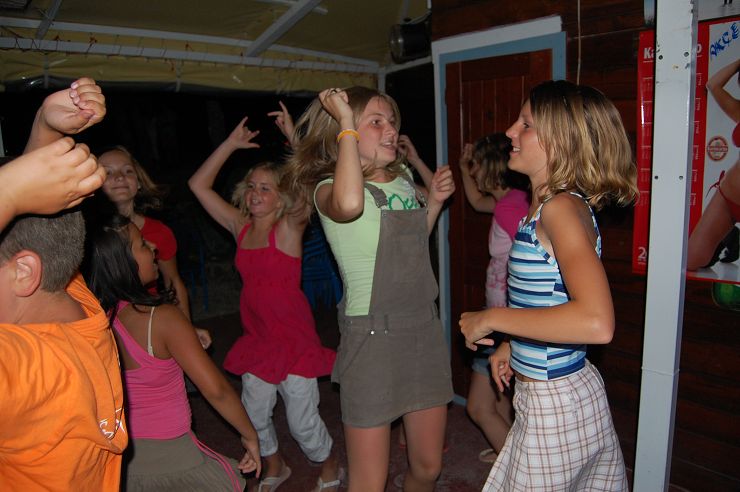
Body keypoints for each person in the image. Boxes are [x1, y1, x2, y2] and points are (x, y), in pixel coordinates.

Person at [460, 80, 636, 491]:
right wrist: (513, 344)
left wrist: (493, 318)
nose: (510, 131)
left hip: (556, 401)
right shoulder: (545, 206)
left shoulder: (559, 209)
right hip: (556, 392)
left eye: (526, 124)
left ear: (561, 141)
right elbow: (549, 296)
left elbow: (596, 322)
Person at [285, 86, 455, 492]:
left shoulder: (404, 179)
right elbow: (350, 206)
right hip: (372, 339)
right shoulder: (328, 188)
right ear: (343, 133)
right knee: (368, 482)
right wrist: (346, 120)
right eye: (376, 122)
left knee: (428, 467)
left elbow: (413, 245)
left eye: (391, 121)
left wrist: (433, 202)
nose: (390, 130)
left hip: (424, 330)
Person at [188, 117, 340, 492]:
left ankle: (329, 462)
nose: (256, 194)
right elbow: (197, 185)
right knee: (252, 414)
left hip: (294, 340)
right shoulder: (239, 226)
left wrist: (293, 139)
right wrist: (229, 145)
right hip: (258, 339)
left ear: (281, 196)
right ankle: (275, 463)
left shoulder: (289, 226)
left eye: (266, 188)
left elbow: (310, 183)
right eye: (252, 187)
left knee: (302, 421)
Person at [0, 78, 128, 490]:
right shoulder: (76, 302)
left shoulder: (19, 367)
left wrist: (10, 191)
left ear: (23, 273)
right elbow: (40, 227)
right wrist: (45, 127)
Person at [82, 212, 260, 491]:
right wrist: (250, 435)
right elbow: (217, 391)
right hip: (174, 457)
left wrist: (185, 336)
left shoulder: (94, 318)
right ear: (122, 262)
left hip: (124, 461)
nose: (153, 247)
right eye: (142, 244)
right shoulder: (161, 318)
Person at [457, 133, 529, 463]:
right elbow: (475, 202)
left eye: (476, 165)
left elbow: (531, 254)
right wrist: (462, 168)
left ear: (492, 168)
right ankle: (507, 452)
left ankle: (516, 469)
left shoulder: (509, 208)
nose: (473, 171)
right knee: (500, 399)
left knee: (478, 407)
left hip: (503, 322)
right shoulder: (511, 199)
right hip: (503, 316)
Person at [98, 147, 195, 322]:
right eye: (108, 173)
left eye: (128, 171)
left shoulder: (159, 232)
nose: (119, 177)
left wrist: (186, 327)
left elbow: (173, 281)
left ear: (139, 182)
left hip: (149, 320)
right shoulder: (89, 235)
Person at [687, 57, 740, 270]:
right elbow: (713, 84)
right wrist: (739, 62)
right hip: (728, 197)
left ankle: (731, 237)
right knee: (691, 259)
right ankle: (731, 235)